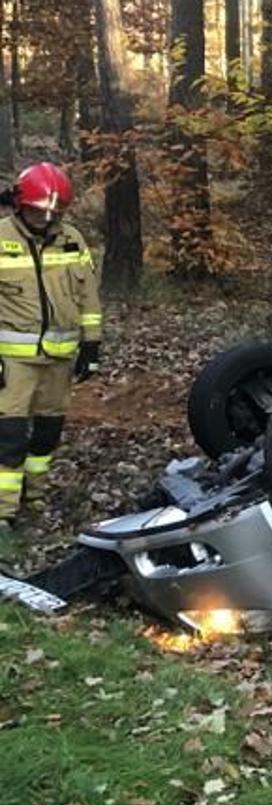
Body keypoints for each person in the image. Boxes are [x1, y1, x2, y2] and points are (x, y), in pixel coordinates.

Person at [0, 163, 102, 539]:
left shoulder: (72, 240)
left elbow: (88, 297)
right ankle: (4, 515)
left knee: (46, 434)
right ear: (19, 205)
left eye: (53, 213)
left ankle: (35, 496)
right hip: (12, 360)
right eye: (38, 210)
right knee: (8, 436)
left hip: (59, 358)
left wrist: (92, 345)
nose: (45, 218)